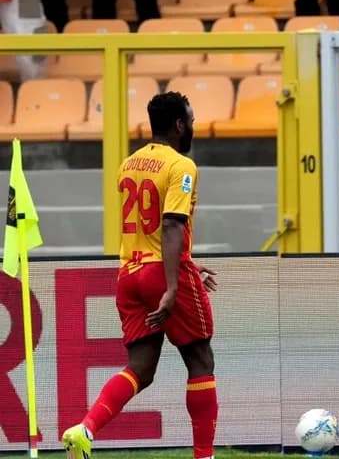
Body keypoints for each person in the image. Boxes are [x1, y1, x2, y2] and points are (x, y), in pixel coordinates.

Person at [61, 92, 220, 459]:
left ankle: (85, 429)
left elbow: (144, 231)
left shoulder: (128, 165)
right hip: (162, 275)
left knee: (140, 369)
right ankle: (204, 456)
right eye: (191, 120)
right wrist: (174, 284)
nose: (193, 126)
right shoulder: (182, 166)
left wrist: (187, 265)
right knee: (200, 360)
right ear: (180, 125)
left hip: (129, 274)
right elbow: (170, 225)